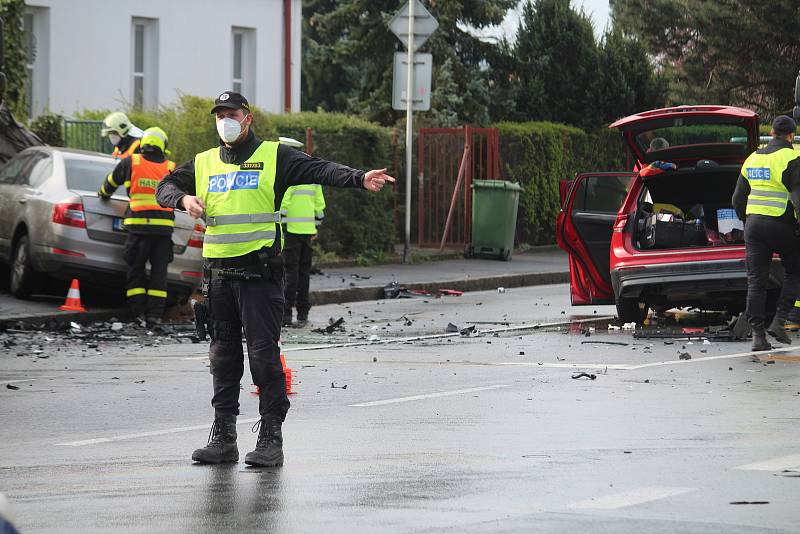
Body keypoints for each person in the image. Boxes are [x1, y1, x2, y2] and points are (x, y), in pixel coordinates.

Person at [155, 91, 394, 467]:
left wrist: (359, 177)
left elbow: (318, 169)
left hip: (258, 275)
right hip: (219, 276)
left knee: (263, 357)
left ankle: (270, 438)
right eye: (219, 115)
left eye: (230, 114)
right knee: (223, 359)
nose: (224, 121)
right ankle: (224, 437)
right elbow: (164, 187)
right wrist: (183, 200)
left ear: (247, 118)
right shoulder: (203, 163)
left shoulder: (274, 156)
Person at [732, 115, 800, 351]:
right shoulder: (793, 157)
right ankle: (779, 321)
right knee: (795, 270)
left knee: (756, 280)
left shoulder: (752, 158)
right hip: (781, 225)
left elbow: (737, 199)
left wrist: (747, 220)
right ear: (791, 135)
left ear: (771, 133)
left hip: (753, 226)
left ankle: (758, 337)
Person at [99, 127, 176, 326]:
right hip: (163, 232)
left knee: (136, 270)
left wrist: (103, 195)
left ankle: (138, 313)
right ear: (163, 145)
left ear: (144, 143)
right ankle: (155, 315)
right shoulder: (171, 167)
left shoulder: (132, 161)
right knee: (160, 274)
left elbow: (110, 183)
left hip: (138, 229)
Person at [278, 137, 326, 328]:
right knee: (304, 273)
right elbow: (320, 206)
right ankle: (303, 312)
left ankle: (286, 313)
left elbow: (285, 203)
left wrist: (280, 225)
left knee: (290, 273)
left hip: (290, 230)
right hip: (307, 231)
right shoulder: (311, 174)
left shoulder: (288, 174)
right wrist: (315, 226)